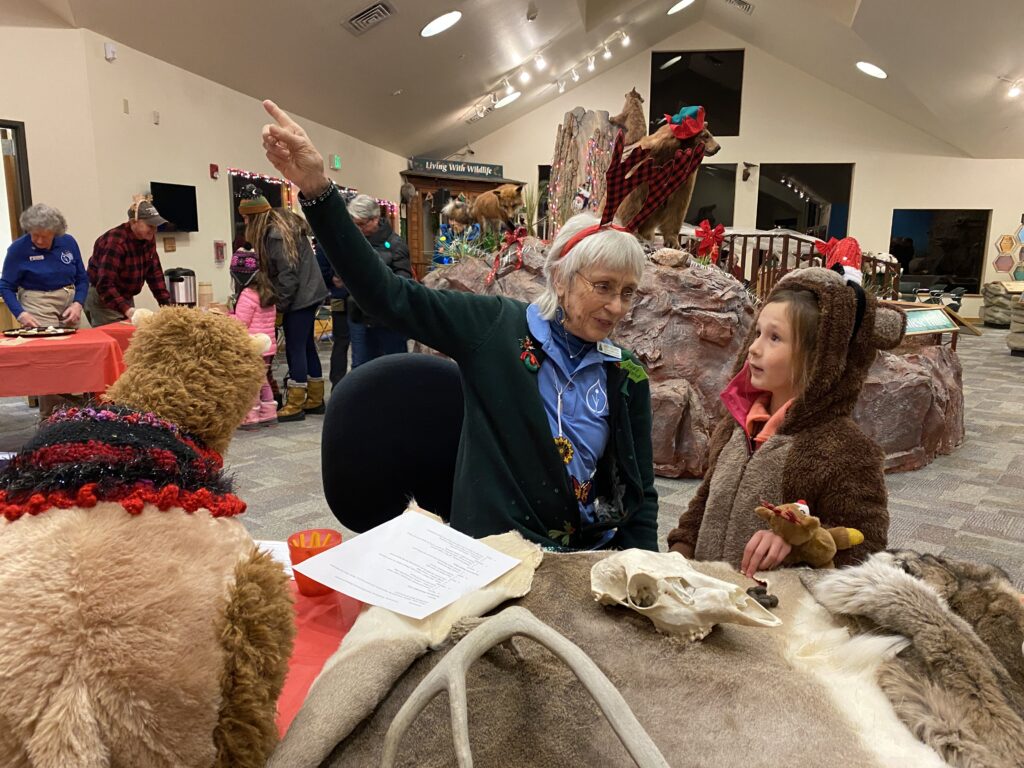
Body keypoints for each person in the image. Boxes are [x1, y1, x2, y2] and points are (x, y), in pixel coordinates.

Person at [260, 100, 658, 550]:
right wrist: (317, 190)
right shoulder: (495, 327)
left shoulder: (626, 372)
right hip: (499, 561)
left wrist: (644, 574)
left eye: (628, 292)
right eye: (603, 286)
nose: (617, 307)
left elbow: (639, 493)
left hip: (592, 560)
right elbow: (386, 295)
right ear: (561, 279)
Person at [666, 263, 906, 576]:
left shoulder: (846, 452)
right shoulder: (735, 426)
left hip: (774, 615)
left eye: (775, 338)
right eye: (758, 333)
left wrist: (797, 546)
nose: (754, 348)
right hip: (707, 603)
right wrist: (677, 557)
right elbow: (703, 505)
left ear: (819, 355)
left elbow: (864, 553)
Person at [240, 188, 328, 422]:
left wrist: (279, 306)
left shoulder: (275, 235)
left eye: (246, 218)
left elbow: (287, 275)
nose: (245, 222)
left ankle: (296, 403)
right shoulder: (281, 226)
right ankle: (315, 399)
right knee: (307, 345)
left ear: (254, 217)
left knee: (295, 347)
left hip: (300, 296)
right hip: (310, 292)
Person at [0, 203, 89, 418]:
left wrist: (78, 304)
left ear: (56, 234)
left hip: (69, 298)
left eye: (44, 236)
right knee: (47, 360)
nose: (39, 240)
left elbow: (82, 278)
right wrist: (21, 313)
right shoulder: (17, 250)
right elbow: (5, 285)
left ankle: (86, 410)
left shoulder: (68, 243)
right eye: (34, 235)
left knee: (85, 350)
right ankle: (51, 417)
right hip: (37, 301)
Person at [345, 194, 411, 367]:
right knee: (361, 367)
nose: (358, 229)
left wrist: (378, 283)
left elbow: (403, 279)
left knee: (395, 367)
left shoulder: (395, 244)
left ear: (375, 219)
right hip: (359, 314)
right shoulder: (352, 242)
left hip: (388, 316)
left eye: (361, 224)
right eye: (355, 224)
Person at [85, 199, 171, 326]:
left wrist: (167, 307)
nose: (154, 230)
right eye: (150, 225)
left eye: (156, 226)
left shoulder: (148, 238)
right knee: (116, 337)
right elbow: (105, 284)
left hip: (125, 294)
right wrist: (128, 310)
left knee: (131, 336)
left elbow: (154, 273)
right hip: (103, 297)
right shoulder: (115, 242)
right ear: (133, 222)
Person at [229, 246, 278, 428]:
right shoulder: (267, 293)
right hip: (267, 346)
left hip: (252, 346)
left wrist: (226, 315)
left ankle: (251, 416)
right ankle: (269, 413)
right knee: (262, 379)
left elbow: (240, 323)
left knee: (251, 382)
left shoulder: (247, 295)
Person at [315, 238, 350, 387]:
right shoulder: (354, 237)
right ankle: (339, 383)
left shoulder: (325, 243)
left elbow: (321, 271)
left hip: (338, 295)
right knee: (344, 341)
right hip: (344, 297)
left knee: (341, 342)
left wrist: (331, 278)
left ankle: (338, 383)